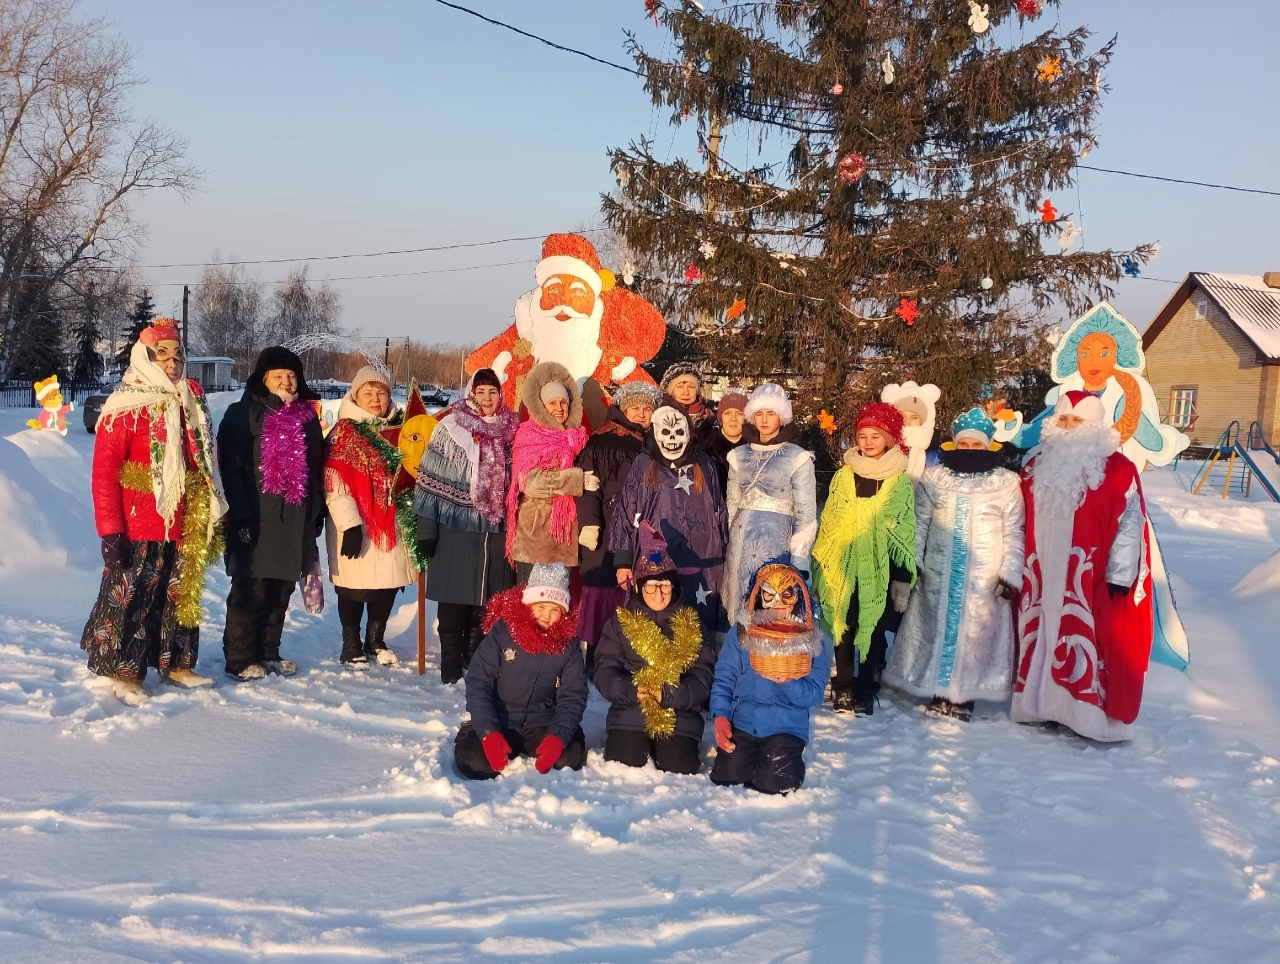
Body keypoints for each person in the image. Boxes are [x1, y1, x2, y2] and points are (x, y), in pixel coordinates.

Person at [82, 320, 227, 704]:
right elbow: (104, 475)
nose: (172, 361)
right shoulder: (125, 406)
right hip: (137, 524)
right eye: (162, 353)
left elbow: (208, 459)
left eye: (178, 354)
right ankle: (125, 671)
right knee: (135, 599)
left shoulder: (191, 402)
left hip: (184, 523)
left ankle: (177, 663)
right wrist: (110, 530)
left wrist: (216, 504)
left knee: (180, 596)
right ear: (144, 357)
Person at [1012, 391, 1153, 741]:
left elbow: (1130, 521)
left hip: (1087, 576)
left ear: (1093, 426)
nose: (1069, 428)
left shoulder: (1119, 469)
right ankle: (1039, 705)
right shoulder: (1035, 465)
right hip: (1041, 571)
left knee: (1086, 637)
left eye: (1077, 422)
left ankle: (1084, 714)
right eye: (1063, 420)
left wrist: (1121, 573)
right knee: (1042, 631)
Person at [884, 408, 1026, 721]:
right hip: (939, 571)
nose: (970, 450)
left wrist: (1010, 573)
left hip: (984, 575)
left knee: (974, 632)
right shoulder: (936, 478)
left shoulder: (1005, 483)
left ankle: (964, 697)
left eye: (977, 445)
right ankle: (938, 689)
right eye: (965, 444)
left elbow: (1015, 531)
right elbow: (919, 522)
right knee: (938, 627)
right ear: (955, 444)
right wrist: (914, 562)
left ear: (988, 446)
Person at [464, 233, 666, 412]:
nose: (563, 303)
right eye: (553, 290)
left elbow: (652, 396)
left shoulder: (606, 360)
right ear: (538, 299)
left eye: (577, 292)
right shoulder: (524, 341)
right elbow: (477, 367)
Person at [218, 347, 325, 681]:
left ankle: (268, 652)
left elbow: (317, 468)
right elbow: (230, 469)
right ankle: (239, 658)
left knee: (281, 591)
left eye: (292, 375)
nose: (287, 381)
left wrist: (316, 512)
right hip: (257, 519)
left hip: (296, 521)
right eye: (278, 375)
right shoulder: (243, 413)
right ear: (263, 379)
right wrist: (241, 516)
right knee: (251, 590)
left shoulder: (308, 419)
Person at [414, 368, 520, 683]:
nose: (487, 399)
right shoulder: (449, 429)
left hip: (496, 531)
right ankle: (449, 659)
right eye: (481, 391)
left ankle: (474, 658)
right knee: (452, 600)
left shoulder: (513, 431)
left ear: (501, 394)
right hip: (455, 529)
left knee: (485, 603)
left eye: (493, 392)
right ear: (471, 393)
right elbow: (429, 483)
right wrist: (426, 532)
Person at [812, 402, 916, 715]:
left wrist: (901, 578)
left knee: (872, 628)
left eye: (876, 435)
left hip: (880, 568)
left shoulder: (899, 480)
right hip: (844, 565)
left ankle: (866, 688)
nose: (868, 442)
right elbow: (830, 520)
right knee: (844, 624)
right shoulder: (845, 476)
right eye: (862, 435)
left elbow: (904, 531)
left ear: (889, 439)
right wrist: (823, 563)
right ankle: (843, 686)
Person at [594, 524, 715, 774]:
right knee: (625, 764)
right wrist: (630, 689)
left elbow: (703, 676)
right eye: (651, 586)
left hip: (678, 716)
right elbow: (605, 669)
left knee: (679, 767)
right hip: (630, 713)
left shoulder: (691, 622)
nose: (658, 594)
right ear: (638, 587)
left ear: (674, 587)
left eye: (665, 586)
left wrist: (669, 695)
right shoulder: (621, 622)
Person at [454, 563, 589, 779]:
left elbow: (574, 695)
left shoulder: (568, 644)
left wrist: (558, 737)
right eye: (540, 607)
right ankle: (474, 731)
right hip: (500, 717)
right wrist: (488, 732)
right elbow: (479, 682)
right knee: (475, 763)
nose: (547, 615)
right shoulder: (503, 632)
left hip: (541, 718)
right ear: (528, 605)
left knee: (570, 757)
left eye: (555, 609)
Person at [710, 562, 833, 794]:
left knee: (773, 784)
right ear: (758, 595)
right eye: (769, 594)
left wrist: (790, 682)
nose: (777, 603)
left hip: (786, 726)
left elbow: (814, 693)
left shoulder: (813, 638)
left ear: (798, 596)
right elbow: (724, 679)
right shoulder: (741, 633)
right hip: (745, 722)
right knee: (727, 780)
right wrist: (721, 717)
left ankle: (791, 764)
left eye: (786, 594)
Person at [324, 367, 417, 669]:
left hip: (394, 522)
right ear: (355, 395)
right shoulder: (344, 432)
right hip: (359, 523)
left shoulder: (402, 430)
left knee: (387, 586)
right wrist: (349, 524)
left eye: (382, 392)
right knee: (355, 588)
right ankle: (350, 643)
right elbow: (334, 481)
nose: (376, 398)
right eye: (368, 392)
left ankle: (376, 640)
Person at [610, 405, 728, 636]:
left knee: (696, 619)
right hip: (654, 556)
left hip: (701, 558)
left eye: (678, 432)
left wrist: (725, 550)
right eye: (666, 432)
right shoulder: (643, 465)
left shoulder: (704, 464)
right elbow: (625, 510)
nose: (672, 439)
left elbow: (719, 510)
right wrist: (623, 561)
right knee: (656, 616)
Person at [575, 381, 662, 658]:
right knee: (605, 595)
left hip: (643, 536)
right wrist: (589, 524)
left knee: (636, 595)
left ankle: (629, 655)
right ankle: (597, 656)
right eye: (635, 407)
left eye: (647, 409)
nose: (641, 413)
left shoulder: (655, 443)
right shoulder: (604, 440)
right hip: (608, 535)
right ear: (623, 408)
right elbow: (590, 486)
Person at [723, 384, 817, 627]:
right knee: (741, 602)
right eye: (759, 413)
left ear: (782, 416)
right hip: (741, 543)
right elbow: (733, 503)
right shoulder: (739, 455)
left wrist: (798, 560)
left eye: (771, 413)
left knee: (772, 603)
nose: (764, 420)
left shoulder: (797, 457)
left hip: (777, 542)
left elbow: (806, 512)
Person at [506, 361, 594, 581]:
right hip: (535, 537)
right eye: (552, 403)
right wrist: (577, 480)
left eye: (563, 402)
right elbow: (532, 483)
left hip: (566, 538)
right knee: (530, 609)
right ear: (542, 406)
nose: (559, 408)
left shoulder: (579, 438)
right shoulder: (529, 435)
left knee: (558, 609)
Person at [880, 381, 941, 484]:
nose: (907, 422)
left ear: (924, 421)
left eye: (914, 417)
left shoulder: (933, 457)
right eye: (901, 416)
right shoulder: (881, 449)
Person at [700, 390, 757, 493]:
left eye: (739, 413)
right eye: (727, 413)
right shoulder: (706, 450)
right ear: (721, 418)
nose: (733, 419)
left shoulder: (756, 449)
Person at [661, 363, 714, 439]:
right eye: (680, 387)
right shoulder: (660, 416)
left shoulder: (709, 419)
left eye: (691, 387)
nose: (686, 392)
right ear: (671, 391)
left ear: (697, 391)